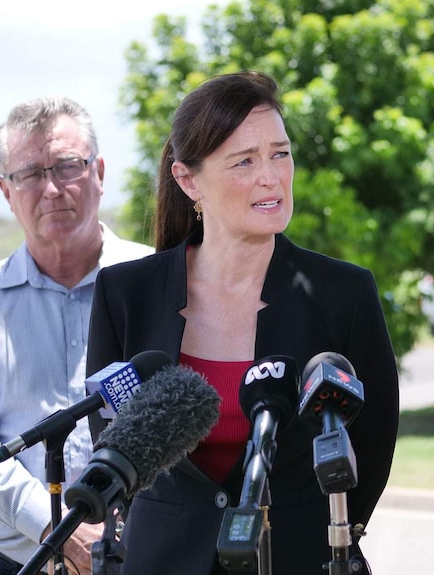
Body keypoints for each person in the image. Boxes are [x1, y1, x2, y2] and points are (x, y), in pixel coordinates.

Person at [85, 71, 400, 575]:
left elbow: (372, 444)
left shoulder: (345, 293)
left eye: (280, 153)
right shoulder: (125, 294)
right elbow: (114, 434)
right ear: (189, 180)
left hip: (299, 557)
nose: (271, 176)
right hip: (162, 560)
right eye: (244, 161)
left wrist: (327, 535)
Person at [0, 96, 153, 575]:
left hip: (141, 556)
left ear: (98, 171)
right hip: (9, 562)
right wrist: (56, 527)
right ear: (5, 191)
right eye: (30, 174)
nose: (52, 188)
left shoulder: (159, 280)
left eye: (67, 166)